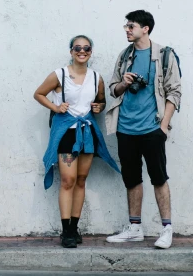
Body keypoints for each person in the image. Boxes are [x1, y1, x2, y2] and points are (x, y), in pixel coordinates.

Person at [34, 35, 120, 248]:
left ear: (91, 51)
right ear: (71, 51)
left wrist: (99, 107)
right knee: (67, 180)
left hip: (87, 133)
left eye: (86, 48)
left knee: (81, 180)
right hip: (67, 133)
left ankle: (74, 228)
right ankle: (66, 232)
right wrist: (55, 108)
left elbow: (100, 100)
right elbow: (39, 94)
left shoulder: (96, 77)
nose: (82, 51)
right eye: (77, 48)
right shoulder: (59, 74)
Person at [105, 10, 181, 250]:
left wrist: (163, 126)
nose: (127, 30)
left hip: (152, 129)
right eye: (126, 26)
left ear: (145, 28)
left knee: (159, 178)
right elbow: (113, 90)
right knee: (132, 179)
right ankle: (135, 228)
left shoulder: (164, 55)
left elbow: (174, 92)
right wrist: (123, 84)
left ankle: (166, 229)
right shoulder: (124, 56)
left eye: (131, 26)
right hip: (125, 128)